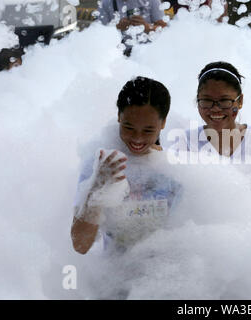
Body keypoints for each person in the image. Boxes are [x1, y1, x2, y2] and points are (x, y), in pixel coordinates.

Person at [71, 76, 181, 255]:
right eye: (129, 128)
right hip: (116, 275)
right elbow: (80, 245)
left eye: (148, 130)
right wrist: (97, 187)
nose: (137, 138)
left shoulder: (174, 171)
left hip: (165, 274)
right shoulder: (101, 165)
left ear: (163, 123)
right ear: (119, 117)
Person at [171, 61, 251, 198]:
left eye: (225, 101)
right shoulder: (186, 142)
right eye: (206, 100)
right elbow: (176, 197)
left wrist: (233, 197)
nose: (215, 108)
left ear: (240, 101)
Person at [96, 0, 167, 55]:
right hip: (120, 54)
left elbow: (165, 30)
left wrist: (147, 27)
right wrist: (116, 28)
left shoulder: (152, 1)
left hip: (148, 52)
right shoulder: (105, 3)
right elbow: (98, 33)